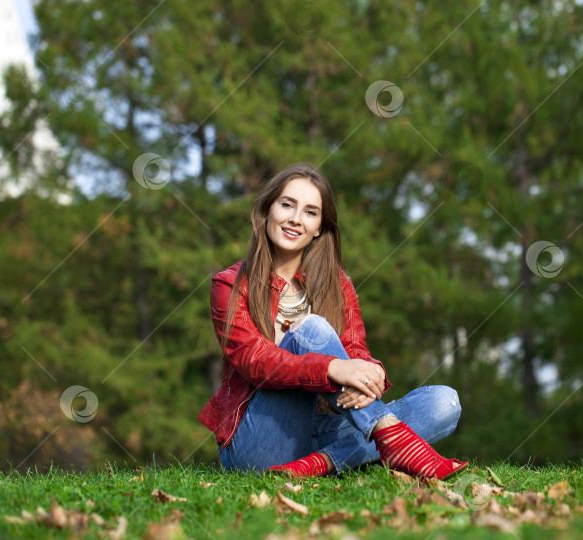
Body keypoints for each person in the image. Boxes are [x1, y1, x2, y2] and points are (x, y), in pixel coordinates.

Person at [198, 163, 468, 479]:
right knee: (312, 328)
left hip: (323, 429)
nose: (296, 219)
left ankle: (319, 464)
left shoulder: (338, 285)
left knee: (443, 403)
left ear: (319, 228)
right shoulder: (230, 284)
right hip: (259, 441)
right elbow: (253, 360)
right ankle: (389, 437)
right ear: (267, 210)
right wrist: (330, 368)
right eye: (287, 205)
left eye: (311, 212)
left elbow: (355, 352)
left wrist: (373, 371)